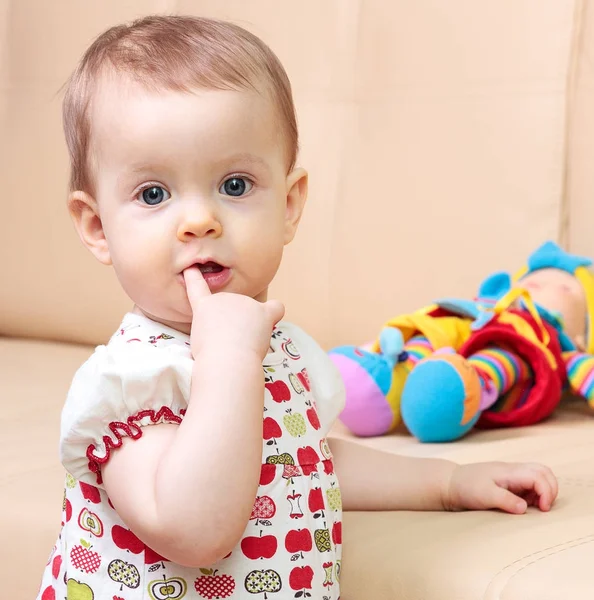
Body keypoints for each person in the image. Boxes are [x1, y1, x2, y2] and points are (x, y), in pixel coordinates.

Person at [37, 15, 558, 600]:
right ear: (96, 226)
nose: (199, 220)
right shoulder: (132, 383)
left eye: (234, 185)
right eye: (153, 194)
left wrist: (449, 483)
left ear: (288, 205)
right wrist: (227, 359)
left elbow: (302, 460)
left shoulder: (277, 349)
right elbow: (191, 527)